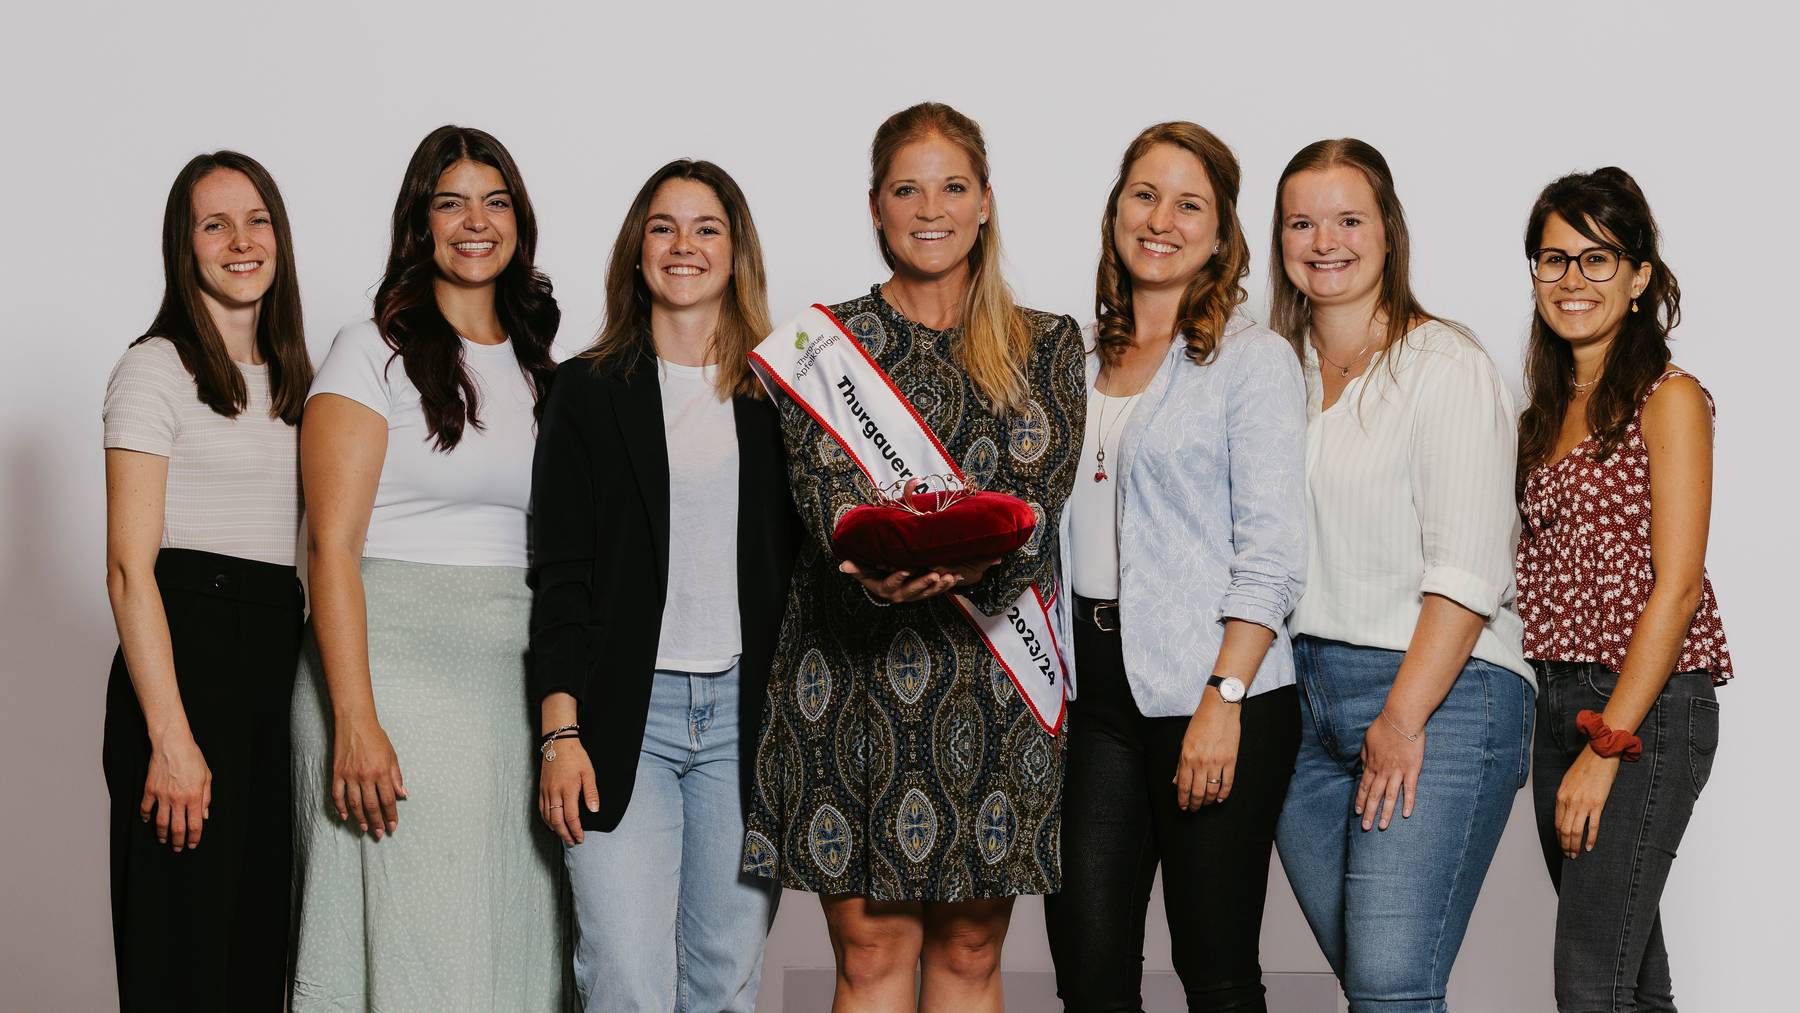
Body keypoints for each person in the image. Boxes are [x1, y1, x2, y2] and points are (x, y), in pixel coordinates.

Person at [741, 101, 1084, 1013]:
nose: (930, 207)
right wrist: (883, 557)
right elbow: (828, 504)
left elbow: (1036, 502)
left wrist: (965, 556)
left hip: (993, 675)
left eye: (953, 186)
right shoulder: (823, 347)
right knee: (870, 952)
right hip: (853, 671)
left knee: (972, 952)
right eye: (907, 188)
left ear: (984, 205)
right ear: (876, 206)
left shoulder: (1047, 342)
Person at [289, 125, 567, 1011]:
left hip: (510, 696)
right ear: (421, 224)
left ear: (519, 221)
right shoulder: (367, 351)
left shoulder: (543, 374)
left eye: (495, 201)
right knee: (413, 950)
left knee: (511, 942)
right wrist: (354, 718)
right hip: (392, 678)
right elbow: (330, 548)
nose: (474, 222)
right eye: (450, 202)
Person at [1041, 121, 1307, 1013]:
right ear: (1117, 209)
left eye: (1189, 203)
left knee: (1214, 966)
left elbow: (1271, 553)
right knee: (1088, 968)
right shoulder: (1067, 360)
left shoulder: (1252, 362)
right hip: (1093, 695)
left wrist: (1223, 700)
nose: (1161, 219)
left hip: (1215, 690)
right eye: (1143, 195)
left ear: (1222, 233)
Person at [1268, 139, 1535, 1013]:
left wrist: (1402, 715)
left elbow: (1468, 566)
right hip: (1298, 697)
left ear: (1389, 232)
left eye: (1349, 218)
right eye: (1301, 221)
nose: (1325, 240)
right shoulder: (1273, 373)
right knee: (1381, 980)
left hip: (1435, 688)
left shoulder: (1442, 364)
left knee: (1389, 980)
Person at [528, 158, 798, 1012]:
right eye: (664, 227)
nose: (684, 245)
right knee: (625, 981)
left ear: (735, 250)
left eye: (706, 227)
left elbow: (804, 573)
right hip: (619, 722)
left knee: (724, 982)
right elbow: (560, 576)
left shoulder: (782, 397)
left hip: (743, 727)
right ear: (636, 251)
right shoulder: (586, 390)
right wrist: (558, 732)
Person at [1515, 167, 1731, 1013]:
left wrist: (1607, 747)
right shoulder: (1545, 410)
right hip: (1556, 697)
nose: (1572, 280)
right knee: (1629, 982)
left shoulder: (1668, 399)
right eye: (1553, 258)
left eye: (1597, 258)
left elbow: (1675, 590)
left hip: (1641, 706)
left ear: (1640, 277)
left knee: (1590, 986)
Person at [101, 150, 313, 1012]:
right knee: (180, 964)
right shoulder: (155, 368)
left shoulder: (299, 382)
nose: (240, 240)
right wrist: (171, 737)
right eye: (214, 223)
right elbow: (127, 568)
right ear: (183, 248)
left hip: (273, 669)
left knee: (260, 961)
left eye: (256, 219)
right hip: (183, 673)